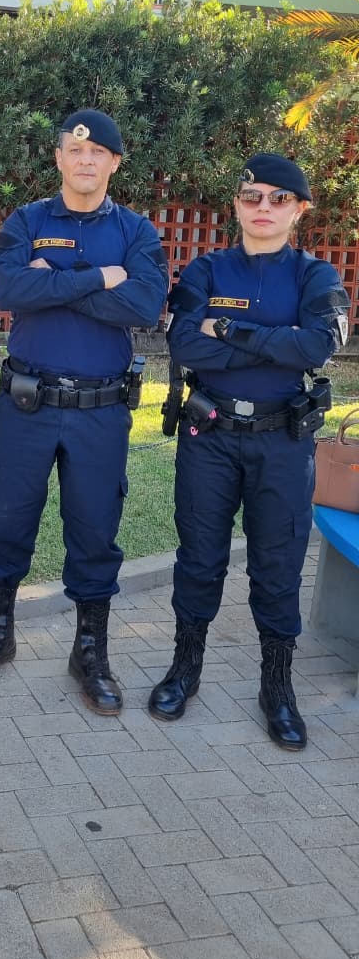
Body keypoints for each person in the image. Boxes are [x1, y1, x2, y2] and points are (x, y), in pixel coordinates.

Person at [0, 110, 168, 711]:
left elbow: (146, 304)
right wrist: (100, 277)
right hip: (28, 404)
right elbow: (13, 291)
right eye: (75, 151)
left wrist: (60, 282)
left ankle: (90, 650)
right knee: (6, 521)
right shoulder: (27, 221)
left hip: (100, 411)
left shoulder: (137, 231)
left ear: (114, 164)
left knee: (95, 529)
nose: (86, 160)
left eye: (99, 152)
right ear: (59, 159)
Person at [149, 154, 348, 749]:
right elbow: (185, 342)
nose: (264, 208)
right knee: (200, 557)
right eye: (253, 197)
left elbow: (316, 347)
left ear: (299, 209)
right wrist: (273, 345)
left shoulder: (317, 278)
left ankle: (277, 688)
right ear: (237, 204)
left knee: (278, 565)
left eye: (279, 199)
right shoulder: (206, 271)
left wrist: (229, 331)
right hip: (209, 438)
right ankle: (185, 670)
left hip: (283, 443)